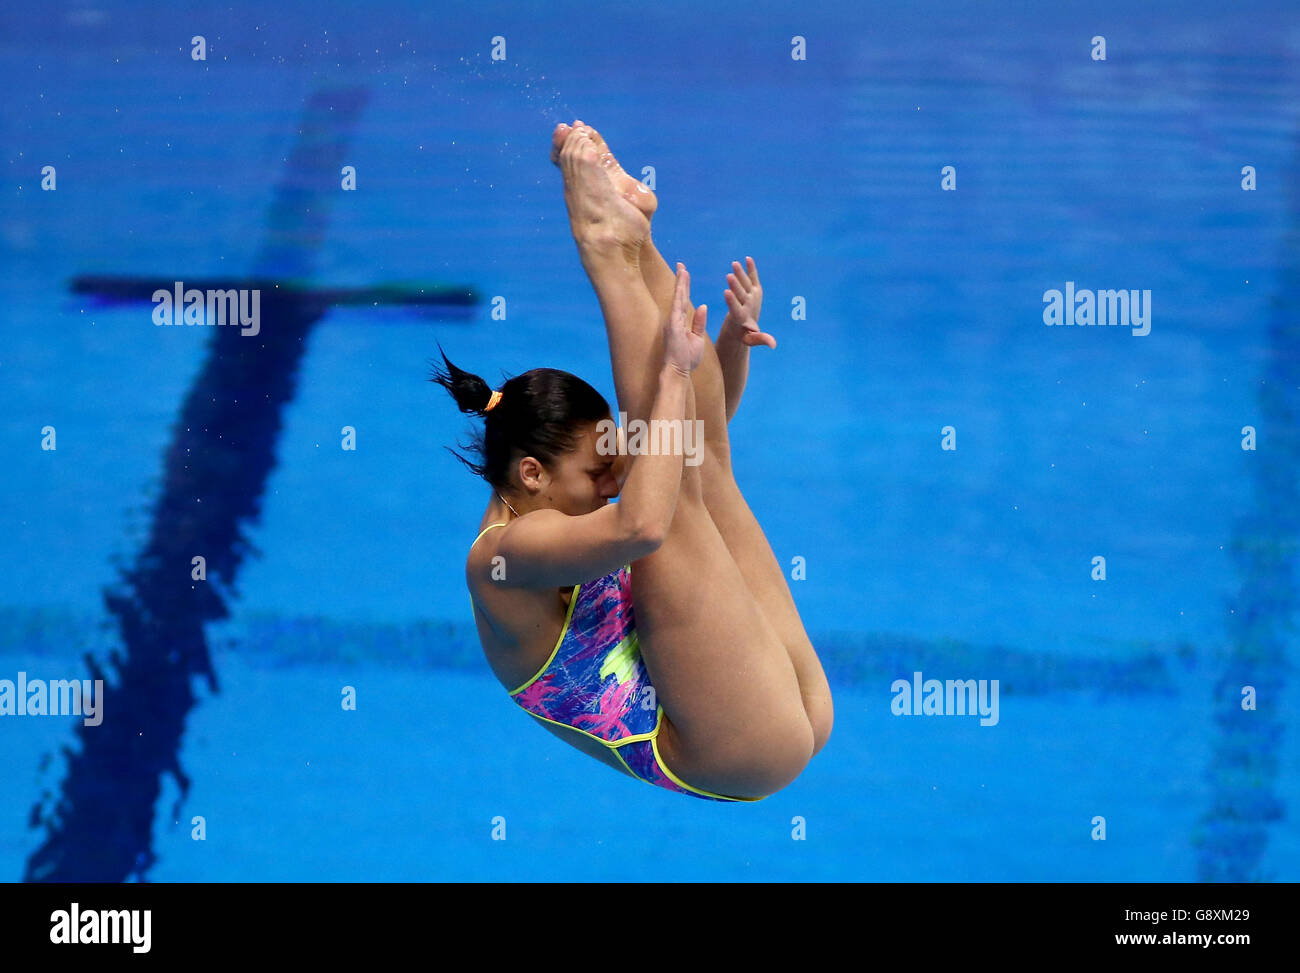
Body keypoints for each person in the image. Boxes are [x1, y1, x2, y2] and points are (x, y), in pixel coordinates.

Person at [430, 121, 832, 801]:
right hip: (726, 748)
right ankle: (608, 252)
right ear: (530, 472)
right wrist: (672, 374)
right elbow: (643, 524)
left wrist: (727, 348)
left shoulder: (555, 510)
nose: (614, 483)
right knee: (667, 487)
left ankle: (637, 239)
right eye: (598, 471)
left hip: (775, 704)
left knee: (694, 462)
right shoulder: (499, 559)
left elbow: (693, 443)